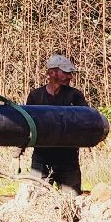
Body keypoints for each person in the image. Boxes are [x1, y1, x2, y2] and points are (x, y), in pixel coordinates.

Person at [25, 53, 89, 191]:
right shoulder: (35, 96)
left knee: (72, 202)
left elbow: (86, 121)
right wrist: (17, 152)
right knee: (38, 201)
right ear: (52, 73)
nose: (70, 76)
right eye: (65, 73)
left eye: (70, 73)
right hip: (41, 160)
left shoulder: (75, 96)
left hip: (68, 160)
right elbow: (26, 126)